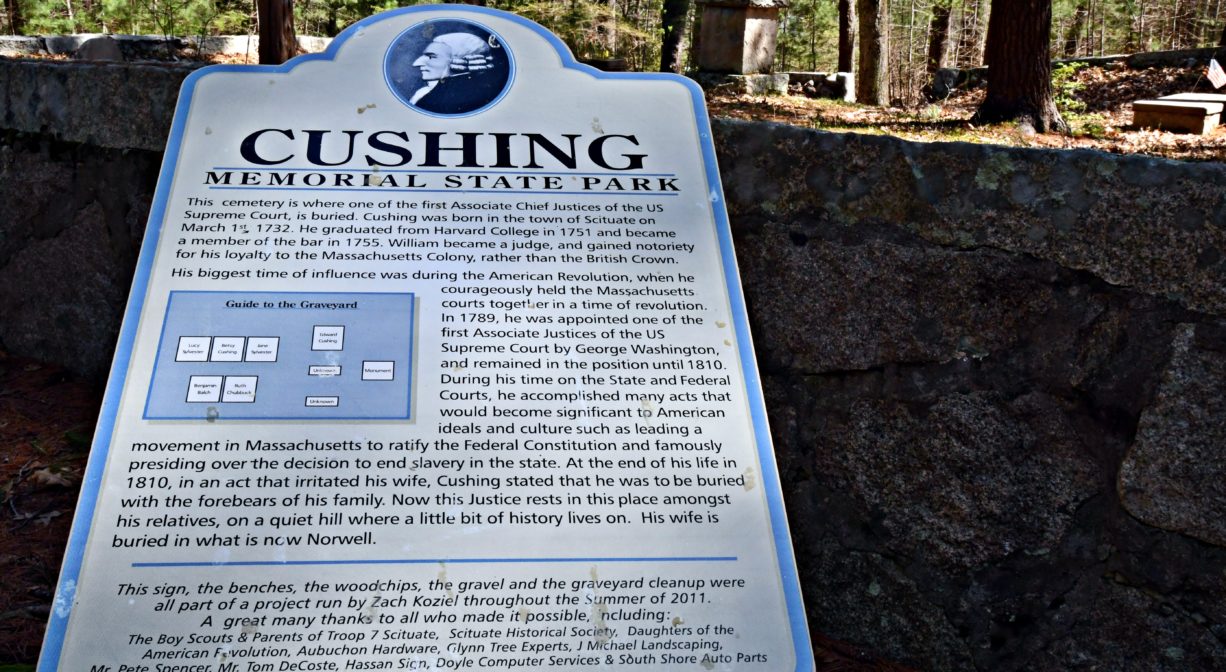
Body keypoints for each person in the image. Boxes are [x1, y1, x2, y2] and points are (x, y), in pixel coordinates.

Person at [409, 32, 504, 114]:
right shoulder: (423, 93)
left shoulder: (462, 98)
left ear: (460, 62)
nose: (416, 63)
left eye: (431, 57)